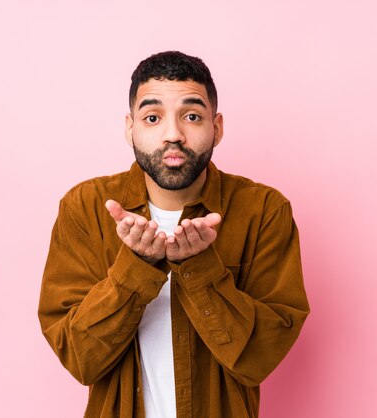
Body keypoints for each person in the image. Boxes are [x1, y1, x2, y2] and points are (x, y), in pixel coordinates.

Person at [38, 51, 310, 418]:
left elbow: (260, 357)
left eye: (192, 116)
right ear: (129, 127)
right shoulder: (85, 207)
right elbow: (80, 358)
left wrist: (200, 268)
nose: (173, 135)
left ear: (217, 127)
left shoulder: (263, 210)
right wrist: (135, 267)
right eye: (153, 118)